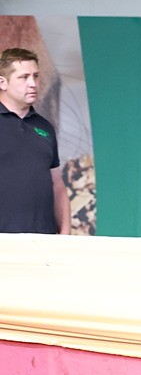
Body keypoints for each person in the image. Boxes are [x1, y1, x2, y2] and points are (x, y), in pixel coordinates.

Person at [0, 48, 70, 235]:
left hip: (43, 241)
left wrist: (65, 234)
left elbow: (57, 185)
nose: (33, 84)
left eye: (36, 76)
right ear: (2, 82)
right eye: (24, 77)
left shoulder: (45, 127)